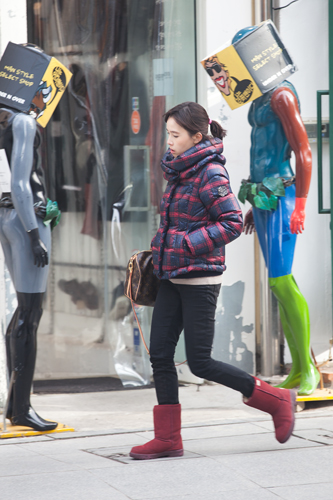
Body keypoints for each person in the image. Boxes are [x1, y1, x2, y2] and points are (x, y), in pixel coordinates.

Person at [129, 101, 296, 460]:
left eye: (175, 135)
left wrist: (187, 244)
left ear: (196, 136)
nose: (169, 142)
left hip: (200, 280)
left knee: (200, 362)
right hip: (172, 275)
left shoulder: (210, 174)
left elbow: (232, 222)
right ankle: (168, 438)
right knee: (159, 353)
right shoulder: (180, 169)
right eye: (168, 134)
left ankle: (277, 399)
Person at [233, 27, 320, 396]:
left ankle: (309, 371)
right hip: (265, 198)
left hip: (281, 195)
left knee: (280, 282)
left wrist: (300, 204)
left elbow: (303, 151)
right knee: (281, 285)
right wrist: (254, 204)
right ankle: (300, 369)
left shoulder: (282, 95)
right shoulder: (259, 99)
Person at [0, 45, 59, 432]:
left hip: (9, 216)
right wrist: (35, 234)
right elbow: (22, 184)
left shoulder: (7, 118)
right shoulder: (22, 121)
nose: (48, 92)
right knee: (31, 311)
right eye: (45, 83)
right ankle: (21, 408)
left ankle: (14, 404)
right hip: (25, 219)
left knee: (23, 311)